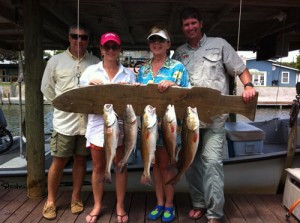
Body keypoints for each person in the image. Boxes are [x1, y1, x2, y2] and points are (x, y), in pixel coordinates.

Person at [172, 7, 257, 223]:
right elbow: (172, 79)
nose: (190, 27)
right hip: (189, 121)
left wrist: (248, 85)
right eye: (186, 24)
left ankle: (214, 213)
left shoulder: (219, 44)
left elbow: (240, 69)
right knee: (189, 163)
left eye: (193, 23)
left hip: (215, 119)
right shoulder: (178, 52)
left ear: (201, 24)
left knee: (211, 163)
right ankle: (199, 203)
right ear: (182, 28)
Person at [41, 24, 99, 220]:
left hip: (87, 123)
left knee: (81, 160)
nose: (79, 41)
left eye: (84, 37)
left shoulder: (95, 62)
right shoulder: (55, 61)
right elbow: (47, 90)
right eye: (75, 36)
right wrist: (62, 106)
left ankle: (76, 197)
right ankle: (50, 200)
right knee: (58, 160)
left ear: (89, 40)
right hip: (64, 123)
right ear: (69, 38)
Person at [80, 32, 136, 223]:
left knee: (120, 166)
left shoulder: (129, 74)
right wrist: (88, 86)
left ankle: (120, 205)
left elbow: (135, 102)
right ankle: (97, 205)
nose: (111, 50)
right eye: (107, 47)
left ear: (119, 49)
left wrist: (127, 90)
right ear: (101, 49)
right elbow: (80, 98)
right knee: (97, 167)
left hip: (121, 127)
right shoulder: (90, 72)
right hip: (97, 127)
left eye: (114, 46)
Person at [137, 26, 190, 223]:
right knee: (156, 165)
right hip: (148, 129)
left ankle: (169, 204)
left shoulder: (177, 67)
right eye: (153, 40)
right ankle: (159, 202)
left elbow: (188, 93)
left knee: (167, 166)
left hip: (169, 127)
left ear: (168, 44)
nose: (156, 44)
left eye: (160, 40)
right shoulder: (143, 69)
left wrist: (175, 86)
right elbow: (137, 99)